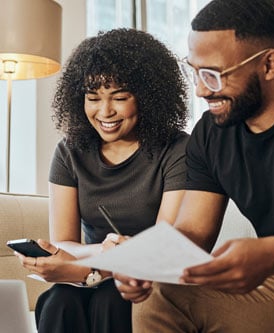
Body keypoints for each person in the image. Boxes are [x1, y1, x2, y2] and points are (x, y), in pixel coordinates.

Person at [114, 1, 274, 332]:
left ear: (270, 64)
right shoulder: (211, 133)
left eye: (212, 75)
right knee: (161, 293)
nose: (199, 90)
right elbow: (192, 232)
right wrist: (146, 263)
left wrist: (272, 253)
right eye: (193, 71)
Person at [14, 28, 189, 333]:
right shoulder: (70, 151)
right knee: (58, 299)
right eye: (93, 98)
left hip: (153, 276)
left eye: (120, 98)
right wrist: (98, 254)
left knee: (113, 299)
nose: (105, 111)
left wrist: (83, 260)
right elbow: (62, 244)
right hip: (91, 274)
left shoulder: (177, 150)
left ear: (147, 97)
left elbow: (165, 243)